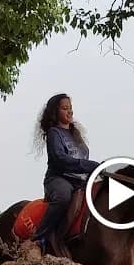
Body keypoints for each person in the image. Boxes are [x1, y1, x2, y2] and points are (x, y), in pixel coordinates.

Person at [30, 93, 100, 252]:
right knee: (63, 198)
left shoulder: (76, 134)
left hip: (80, 180)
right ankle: (39, 238)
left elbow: (83, 158)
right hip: (59, 179)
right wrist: (88, 165)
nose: (70, 112)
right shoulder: (54, 133)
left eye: (71, 108)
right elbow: (60, 159)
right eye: (65, 108)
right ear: (55, 112)